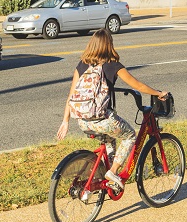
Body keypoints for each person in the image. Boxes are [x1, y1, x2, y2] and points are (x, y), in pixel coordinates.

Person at [56, 30, 167, 193]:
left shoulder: (82, 65)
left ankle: (104, 181)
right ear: (109, 45)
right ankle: (113, 172)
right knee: (129, 136)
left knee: (110, 141)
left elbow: (71, 95)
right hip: (102, 120)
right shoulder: (112, 65)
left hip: (82, 122)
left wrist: (65, 121)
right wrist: (158, 93)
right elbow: (137, 85)